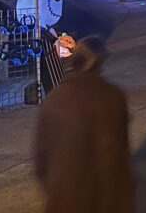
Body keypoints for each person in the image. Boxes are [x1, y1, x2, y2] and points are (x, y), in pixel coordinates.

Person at [34, 37, 133, 213]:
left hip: (66, 198)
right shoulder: (113, 96)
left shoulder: (54, 98)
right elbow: (120, 152)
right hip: (105, 197)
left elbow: (41, 161)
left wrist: (57, 187)